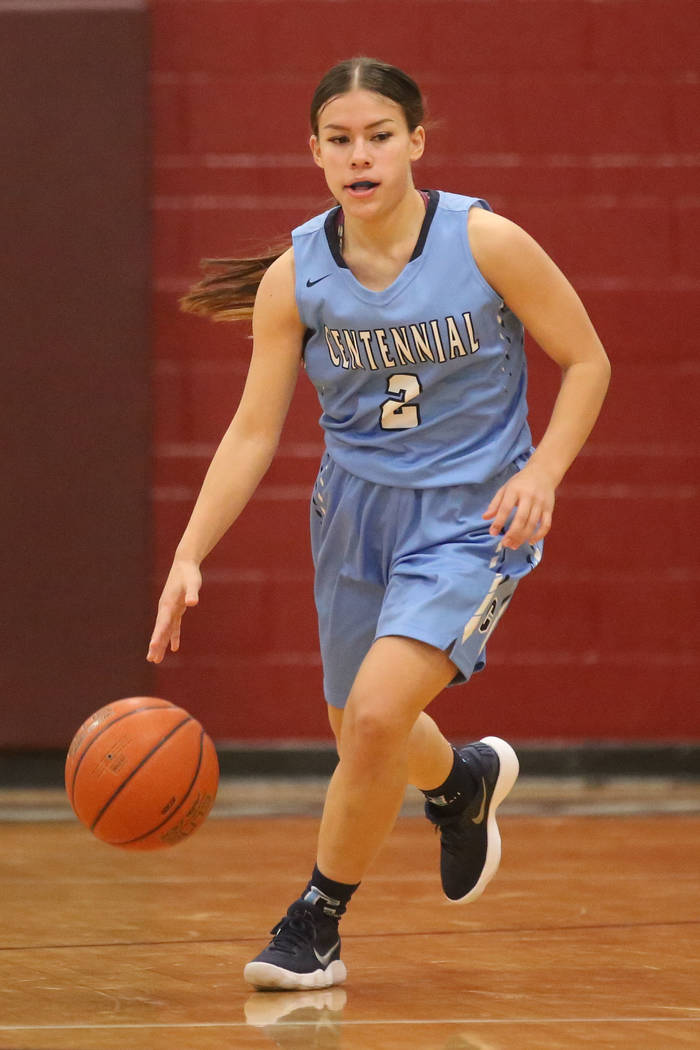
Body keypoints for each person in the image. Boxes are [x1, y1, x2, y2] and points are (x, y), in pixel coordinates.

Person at [147, 57, 611, 991]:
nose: (361, 156)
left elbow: (588, 360)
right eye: (341, 140)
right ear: (315, 153)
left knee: (374, 715)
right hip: (355, 515)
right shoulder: (297, 276)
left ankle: (314, 924)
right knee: (357, 726)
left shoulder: (486, 243)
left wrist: (545, 472)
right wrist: (189, 553)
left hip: (475, 514)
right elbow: (251, 430)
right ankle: (458, 784)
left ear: (416, 143)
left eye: (379, 136)